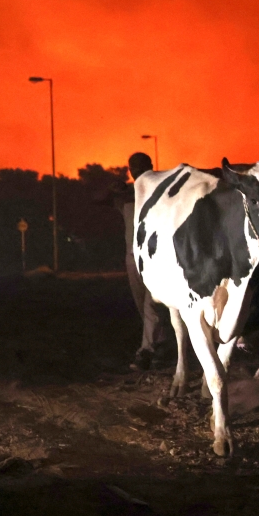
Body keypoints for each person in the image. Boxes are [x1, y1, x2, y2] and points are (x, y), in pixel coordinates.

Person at [101, 152, 170, 369]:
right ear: (130, 170)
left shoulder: (162, 189)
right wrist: (112, 189)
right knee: (143, 305)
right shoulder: (126, 196)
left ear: (151, 166)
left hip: (157, 257)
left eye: (142, 166)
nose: (138, 171)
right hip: (133, 258)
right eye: (134, 167)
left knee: (151, 305)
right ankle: (160, 344)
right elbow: (97, 199)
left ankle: (147, 350)